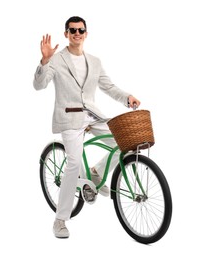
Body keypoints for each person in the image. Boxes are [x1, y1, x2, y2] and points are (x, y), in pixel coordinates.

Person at [33, 16, 140, 239]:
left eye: (80, 30)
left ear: (86, 33)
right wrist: (44, 62)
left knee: (127, 141)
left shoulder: (95, 61)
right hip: (69, 119)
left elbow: (108, 87)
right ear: (66, 34)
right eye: (72, 30)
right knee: (73, 163)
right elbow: (39, 85)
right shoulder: (57, 59)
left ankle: (96, 172)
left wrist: (126, 97)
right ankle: (60, 220)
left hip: (93, 117)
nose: (77, 33)